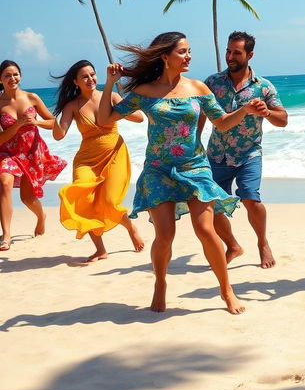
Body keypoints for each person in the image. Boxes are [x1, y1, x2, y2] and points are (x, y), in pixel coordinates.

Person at [98, 31, 262, 314]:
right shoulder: (144, 92)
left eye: (189, 51)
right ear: (165, 56)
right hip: (158, 170)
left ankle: (226, 291)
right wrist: (110, 83)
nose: (188, 56)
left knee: (206, 229)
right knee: (165, 236)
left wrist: (245, 110)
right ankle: (160, 283)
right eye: (182, 52)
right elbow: (104, 118)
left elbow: (221, 123)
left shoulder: (198, 88)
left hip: (195, 167)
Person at [205, 31, 288, 269]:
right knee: (212, 205)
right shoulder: (212, 82)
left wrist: (267, 112)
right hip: (216, 154)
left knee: (251, 198)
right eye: (228, 51)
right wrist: (194, 144)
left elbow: (283, 119)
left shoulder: (263, 87)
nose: (230, 56)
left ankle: (262, 243)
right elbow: (200, 114)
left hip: (249, 154)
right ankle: (232, 245)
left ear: (250, 55)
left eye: (236, 52)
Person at [53, 60, 145, 262]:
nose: (90, 79)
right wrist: (53, 122)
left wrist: (115, 113)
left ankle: (130, 227)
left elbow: (139, 117)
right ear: (76, 81)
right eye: (84, 76)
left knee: (110, 202)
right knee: (84, 198)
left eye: (92, 74)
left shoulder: (110, 96)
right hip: (86, 160)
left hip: (114, 154)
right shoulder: (72, 106)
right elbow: (59, 135)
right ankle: (100, 249)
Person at [0, 60, 66, 250]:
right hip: (8, 152)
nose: (12, 78)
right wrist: (18, 124)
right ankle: (6, 235)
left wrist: (35, 123)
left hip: (31, 152)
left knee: (27, 198)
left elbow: (53, 122)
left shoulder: (32, 98)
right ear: (0, 79)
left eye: (15, 74)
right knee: (4, 183)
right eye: (7, 75)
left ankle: (41, 216)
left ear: (20, 75)